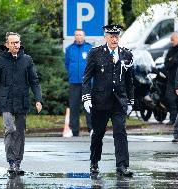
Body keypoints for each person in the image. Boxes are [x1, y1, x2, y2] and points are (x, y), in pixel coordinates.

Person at [82, 24, 134, 176]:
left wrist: (130, 100)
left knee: (120, 132)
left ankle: (122, 166)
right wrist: (86, 97)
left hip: (119, 101)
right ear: (105, 37)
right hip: (100, 101)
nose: (114, 39)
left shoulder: (126, 54)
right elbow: (86, 78)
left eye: (116, 36)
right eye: (111, 36)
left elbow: (129, 80)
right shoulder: (95, 53)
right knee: (98, 134)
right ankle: (94, 162)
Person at [0, 32, 42, 173]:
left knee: (20, 132)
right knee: (10, 129)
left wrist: (38, 99)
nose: (16, 45)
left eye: (18, 42)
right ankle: (10, 161)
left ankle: (17, 163)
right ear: (7, 45)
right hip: (5, 102)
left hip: (22, 101)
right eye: (13, 43)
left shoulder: (27, 60)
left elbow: (34, 81)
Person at [65, 29, 93, 136]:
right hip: (74, 82)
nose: (79, 37)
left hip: (87, 83)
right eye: (77, 35)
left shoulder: (90, 48)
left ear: (84, 36)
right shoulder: (69, 49)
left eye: (80, 35)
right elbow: (67, 64)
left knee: (88, 106)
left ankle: (91, 129)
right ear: (74, 36)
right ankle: (74, 130)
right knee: (74, 106)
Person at [164, 32, 178, 125]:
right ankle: (173, 118)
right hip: (171, 79)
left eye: (172, 40)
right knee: (170, 98)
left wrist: (173, 60)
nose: (171, 42)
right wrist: (172, 60)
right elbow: (166, 64)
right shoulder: (170, 50)